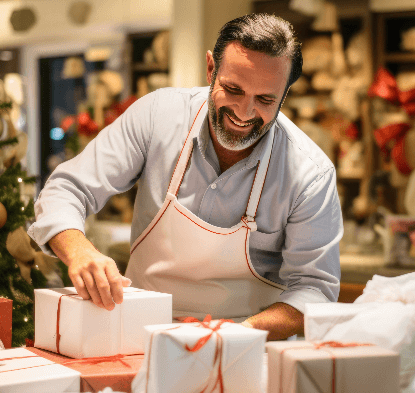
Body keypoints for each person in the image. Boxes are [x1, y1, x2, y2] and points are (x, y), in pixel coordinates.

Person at [28, 13, 342, 340]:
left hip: (245, 346)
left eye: (265, 99)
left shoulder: (310, 174)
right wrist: (79, 250)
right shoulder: (157, 116)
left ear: (285, 94)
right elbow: (65, 189)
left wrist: (235, 334)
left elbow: (314, 291)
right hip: (138, 337)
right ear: (211, 69)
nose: (244, 113)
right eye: (233, 89)